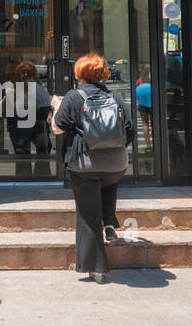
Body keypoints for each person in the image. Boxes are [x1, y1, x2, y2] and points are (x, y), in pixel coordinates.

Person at [51, 54, 135, 284]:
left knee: (88, 215)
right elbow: (129, 131)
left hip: (84, 164)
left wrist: (56, 107)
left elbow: (57, 128)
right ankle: (109, 221)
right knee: (107, 182)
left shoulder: (74, 96)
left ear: (80, 74)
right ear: (103, 74)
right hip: (116, 164)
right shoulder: (116, 97)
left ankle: (97, 268)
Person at [3, 61, 52, 176]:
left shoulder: (38, 86)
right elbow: (3, 108)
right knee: (22, 154)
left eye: (29, 75)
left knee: (44, 148)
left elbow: (46, 103)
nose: (26, 78)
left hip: (37, 123)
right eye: (23, 74)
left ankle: (41, 176)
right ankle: (25, 179)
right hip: (19, 124)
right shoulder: (13, 86)